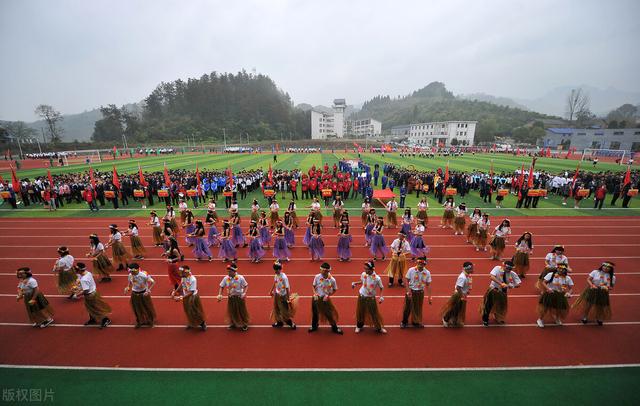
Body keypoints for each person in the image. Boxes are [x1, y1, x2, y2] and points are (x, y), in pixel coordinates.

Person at [574, 261, 616, 326]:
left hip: (603, 292)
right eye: (604, 266)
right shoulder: (595, 272)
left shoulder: (612, 277)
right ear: (602, 266)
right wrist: (592, 285)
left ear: (611, 269)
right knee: (589, 304)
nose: (606, 268)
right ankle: (585, 317)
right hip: (593, 289)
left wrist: (607, 288)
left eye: (608, 267)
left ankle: (599, 318)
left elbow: (611, 287)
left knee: (600, 305)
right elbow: (588, 279)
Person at [481, 260, 521, 326]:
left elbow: (518, 284)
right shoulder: (497, 268)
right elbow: (491, 277)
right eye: (507, 268)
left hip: (503, 292)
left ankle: (498, 317)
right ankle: (485, 319)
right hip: (493, 290)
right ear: (503, 266)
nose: (508, 270)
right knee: (488, 305)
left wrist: (510, 285)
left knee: (501, 306)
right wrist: (501, 283)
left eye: (510, 269)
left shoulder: (512, 274)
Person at [351, 261, 387, 334]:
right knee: (361, 312)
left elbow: (381, 287)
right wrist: (355, 283)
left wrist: (381, 296)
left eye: (366, 269)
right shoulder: (363, 274)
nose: (365, 270)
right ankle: (359, 326)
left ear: (372, 269)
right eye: (364, 268)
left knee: (374, 313)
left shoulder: (377, 278)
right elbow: (362, 281)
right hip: (362, 296)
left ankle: (378, 327)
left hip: (371, 298)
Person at [73, 263, 112, 329]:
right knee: (90, 308)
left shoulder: (83, 280)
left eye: (76, 270)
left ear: (79, 270)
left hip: (90, 295)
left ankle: (106, 319)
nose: (75, 271)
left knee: (96, 308)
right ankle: (93, 318)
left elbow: (86, 290)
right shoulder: (88, 273)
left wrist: (77, 294)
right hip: (94, 292)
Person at [308, 262, 343, 335]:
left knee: (329, 314)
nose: (322, 271)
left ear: (328, 271)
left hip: (325, 299)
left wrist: (329, 295)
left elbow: (335, 289)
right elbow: (313, 286)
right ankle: (314, 326)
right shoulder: (317, 277)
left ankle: (334, 327)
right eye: (321, 270)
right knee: (315, 313)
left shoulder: (332, 280)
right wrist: (315, 293)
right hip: (316, 298)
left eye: (324, 270)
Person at [536, 264, 573, 328]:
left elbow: (571, 289)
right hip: (550, 293)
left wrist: (569, 293)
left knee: (559, 307)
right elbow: (544, 282)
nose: (559, 270)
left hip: (560, 295)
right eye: (558, 268)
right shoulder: (551, 275)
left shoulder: (567, 278)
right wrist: (548, 289)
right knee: (546, 307)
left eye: (561, 269)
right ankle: (540, 319)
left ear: (565, 270)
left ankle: (557, 319)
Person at [172, 265, 207, 331]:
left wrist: (180, 298)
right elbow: (181, 284)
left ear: (186, 272)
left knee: (195, 311)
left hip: (192, 297)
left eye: (182, 272)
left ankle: (202, 323)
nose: (180, 274)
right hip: (186, 296)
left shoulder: (193, 279)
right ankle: (191, 322)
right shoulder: (183, 277)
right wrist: (175, 291)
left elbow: (191, 292)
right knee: (188, 311)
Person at [401, 257, 432, 328]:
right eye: (419, 263)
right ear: (417, 263)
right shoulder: (411, 270)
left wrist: (430, 297)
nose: (420, 265)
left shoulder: (427, 273)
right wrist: (408, 292)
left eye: (422, 263)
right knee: (407, 308)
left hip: (420, 292)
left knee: (418, 307)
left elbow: (428, 284)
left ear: (425, 264)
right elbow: (406, 281)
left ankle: (416, 321)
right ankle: (404, 321)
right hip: (411, 291)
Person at [217, 264, 249, 331]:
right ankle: (233, 323)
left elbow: (246, 285)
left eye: (229, 271)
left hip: (239, 297)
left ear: (234, 271)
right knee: (232, 311)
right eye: (228, 271)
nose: (228, 273)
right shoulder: (226, 278)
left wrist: (244, 293)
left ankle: (244, 323)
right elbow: (221, 286)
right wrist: (220, 294)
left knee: (241, 311)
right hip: (231, 298)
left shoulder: (240, 278)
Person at [124, 263, 156, 328]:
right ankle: (139, 321)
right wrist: (127, 287)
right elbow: (129, 282)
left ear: (137, 269)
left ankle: (150, 321)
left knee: (147, 308)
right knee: (136, 309)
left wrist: (148, 290)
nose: (131, 273)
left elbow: (153, 282)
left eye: (132, 271)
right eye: (130, 271)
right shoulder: (130, 275)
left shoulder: (144, 275)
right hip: (134, 293)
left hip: (143, 294)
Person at [442, 262, 474, 327]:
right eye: (471, 268)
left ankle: (454, 320)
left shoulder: (467, 275)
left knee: (459, 309)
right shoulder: (462, 277)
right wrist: (462, 296)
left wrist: (467, 291)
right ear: (467, 269)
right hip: (459, 295)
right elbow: (458, 287)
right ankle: (445, 319)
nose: (473, 269)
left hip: (462, 294)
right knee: (454, 308)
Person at [269, 261, 298, 329]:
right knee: (276, 309)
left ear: (279, 269)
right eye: (274, 269)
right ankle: (279, 322)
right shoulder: (276, 275)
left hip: (283, 296)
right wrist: (271, 291)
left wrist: (288, 299)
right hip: (277, 294)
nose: (275, 271)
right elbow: (275, 282)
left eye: (276, 270)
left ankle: (291, 324)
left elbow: (287, 288)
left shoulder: (284, 277)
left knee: (284, 311)